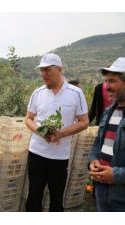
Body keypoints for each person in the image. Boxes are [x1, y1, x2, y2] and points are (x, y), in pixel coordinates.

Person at [25, 53, 89, 212]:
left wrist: (62, 133)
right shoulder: (38, 93)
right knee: (34, 194)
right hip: (36, 153)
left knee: (56, 197)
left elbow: (84, 121)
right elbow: (28, 119)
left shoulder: (75, 93)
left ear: (60, 69)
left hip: (59, 156)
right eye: (41, 70)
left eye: (47, 69)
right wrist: (40, 131)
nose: (43, 74)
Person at [88, 57, 125, 212]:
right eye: (106, 81)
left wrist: (116, 175)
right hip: (102, 190)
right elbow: (98, 144)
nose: (106, 87)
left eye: (112, 81)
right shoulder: (108, 112)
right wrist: (93, 161)